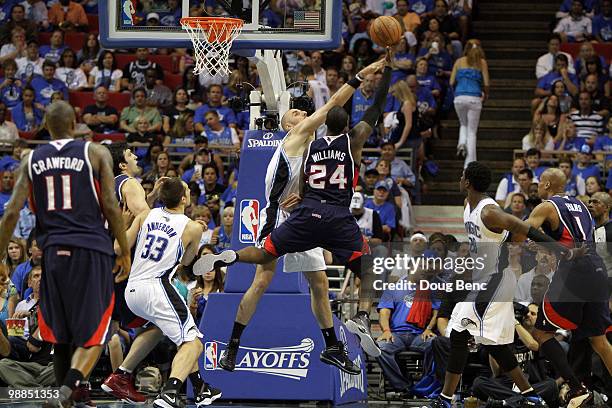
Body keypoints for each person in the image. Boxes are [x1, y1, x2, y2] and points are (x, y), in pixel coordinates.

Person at [197, 57, 389, 373]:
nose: (303, 113)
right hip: (283, 218)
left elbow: (304, 176)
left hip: (304, 213)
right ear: (288, 125)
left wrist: (302, 190)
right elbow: (334, 106)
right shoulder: (297, 135)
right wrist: (361, 75)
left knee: (319, 283)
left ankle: (332, 349)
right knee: (262, 280)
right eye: (296, 113)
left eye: (302, 111)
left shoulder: (311, 150)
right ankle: (232, 347)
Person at [0, 101, 130, 407]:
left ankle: (65, 399)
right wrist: (124, 251)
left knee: (60, 334)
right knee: (96, 331)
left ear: (46, 124)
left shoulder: (30, 158)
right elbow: (111, 205)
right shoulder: (95, 152)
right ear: (75, 125)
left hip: (53, 254)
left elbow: (10, 215)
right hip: (92, 250)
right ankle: (66, 391)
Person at [431, 161, 578, 408]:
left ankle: (445, 399)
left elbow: (523, 228)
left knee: (458, 333)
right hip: (485, 279)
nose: (459, 178)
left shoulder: (489, 212)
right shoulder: (468, 205)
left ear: (467, 182)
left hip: (495, 281)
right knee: (495, 344)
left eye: (461, 175)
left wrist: (559, 250)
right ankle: (531, 395)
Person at [118, 177, 221, 408]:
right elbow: (186, 262)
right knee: (194, 342)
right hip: (157, 287)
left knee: (180, 336)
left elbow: (120, 245)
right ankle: (171, 391)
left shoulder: (146, 215)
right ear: (184, 198)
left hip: (132, 290)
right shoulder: (192, 226)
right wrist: (196, 235)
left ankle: (201, 387)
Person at [524, 168, 612, 406]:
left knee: (542, 333)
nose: (539, 186)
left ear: (548, 184)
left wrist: (535, 241)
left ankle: (576, 387)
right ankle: (580, 387)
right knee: (600, 342)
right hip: (596, 269)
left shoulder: (546, 206)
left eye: (540, 182)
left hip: (574, 271)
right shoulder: (583, 206)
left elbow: (525, 230)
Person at [451, 39, 489, 167]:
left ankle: (461, 142)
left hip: (459, 97)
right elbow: (487, 83)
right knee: (472, 131)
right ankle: (470, 163)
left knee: (463, 123)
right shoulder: (481, 62)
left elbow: (451, 82)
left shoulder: (459, 62)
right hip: (474, 98)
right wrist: (486, 94)